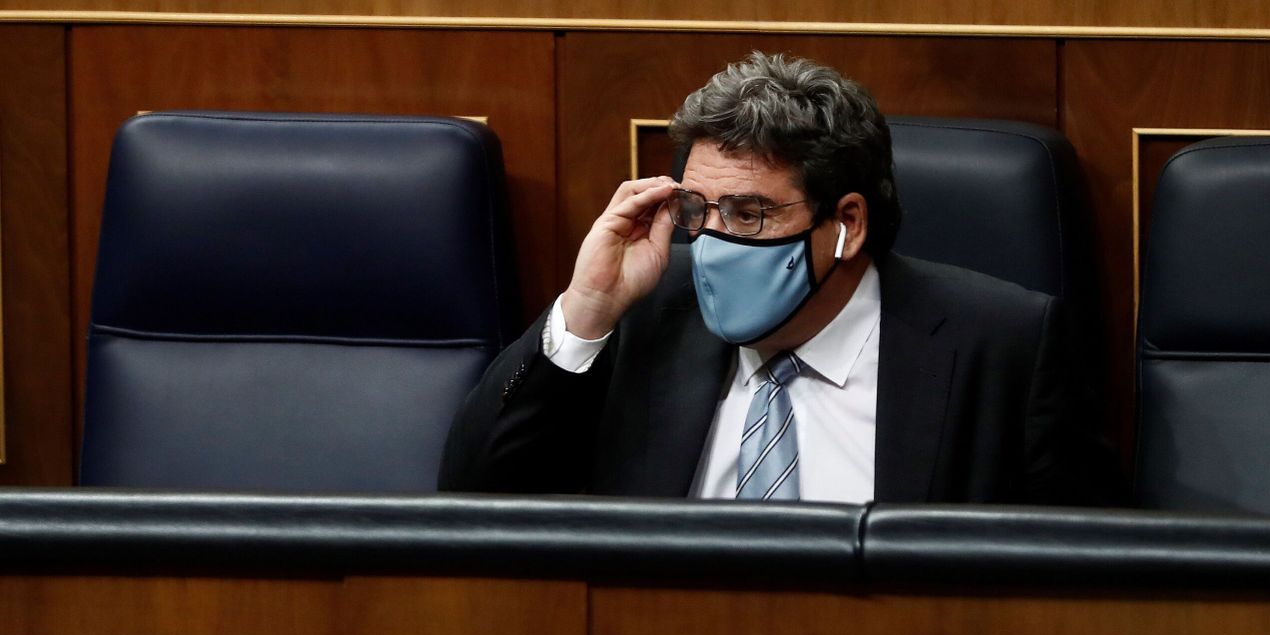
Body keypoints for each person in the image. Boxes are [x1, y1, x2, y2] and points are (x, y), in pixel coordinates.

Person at [439, 52, 1101, 504]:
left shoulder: (1003, 343)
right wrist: (585, 314)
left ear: (847, 223)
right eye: (699, 210)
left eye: (750, 214)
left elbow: (1081, 574)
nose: (714, 242)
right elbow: (471, 495)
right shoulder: (642, 316)